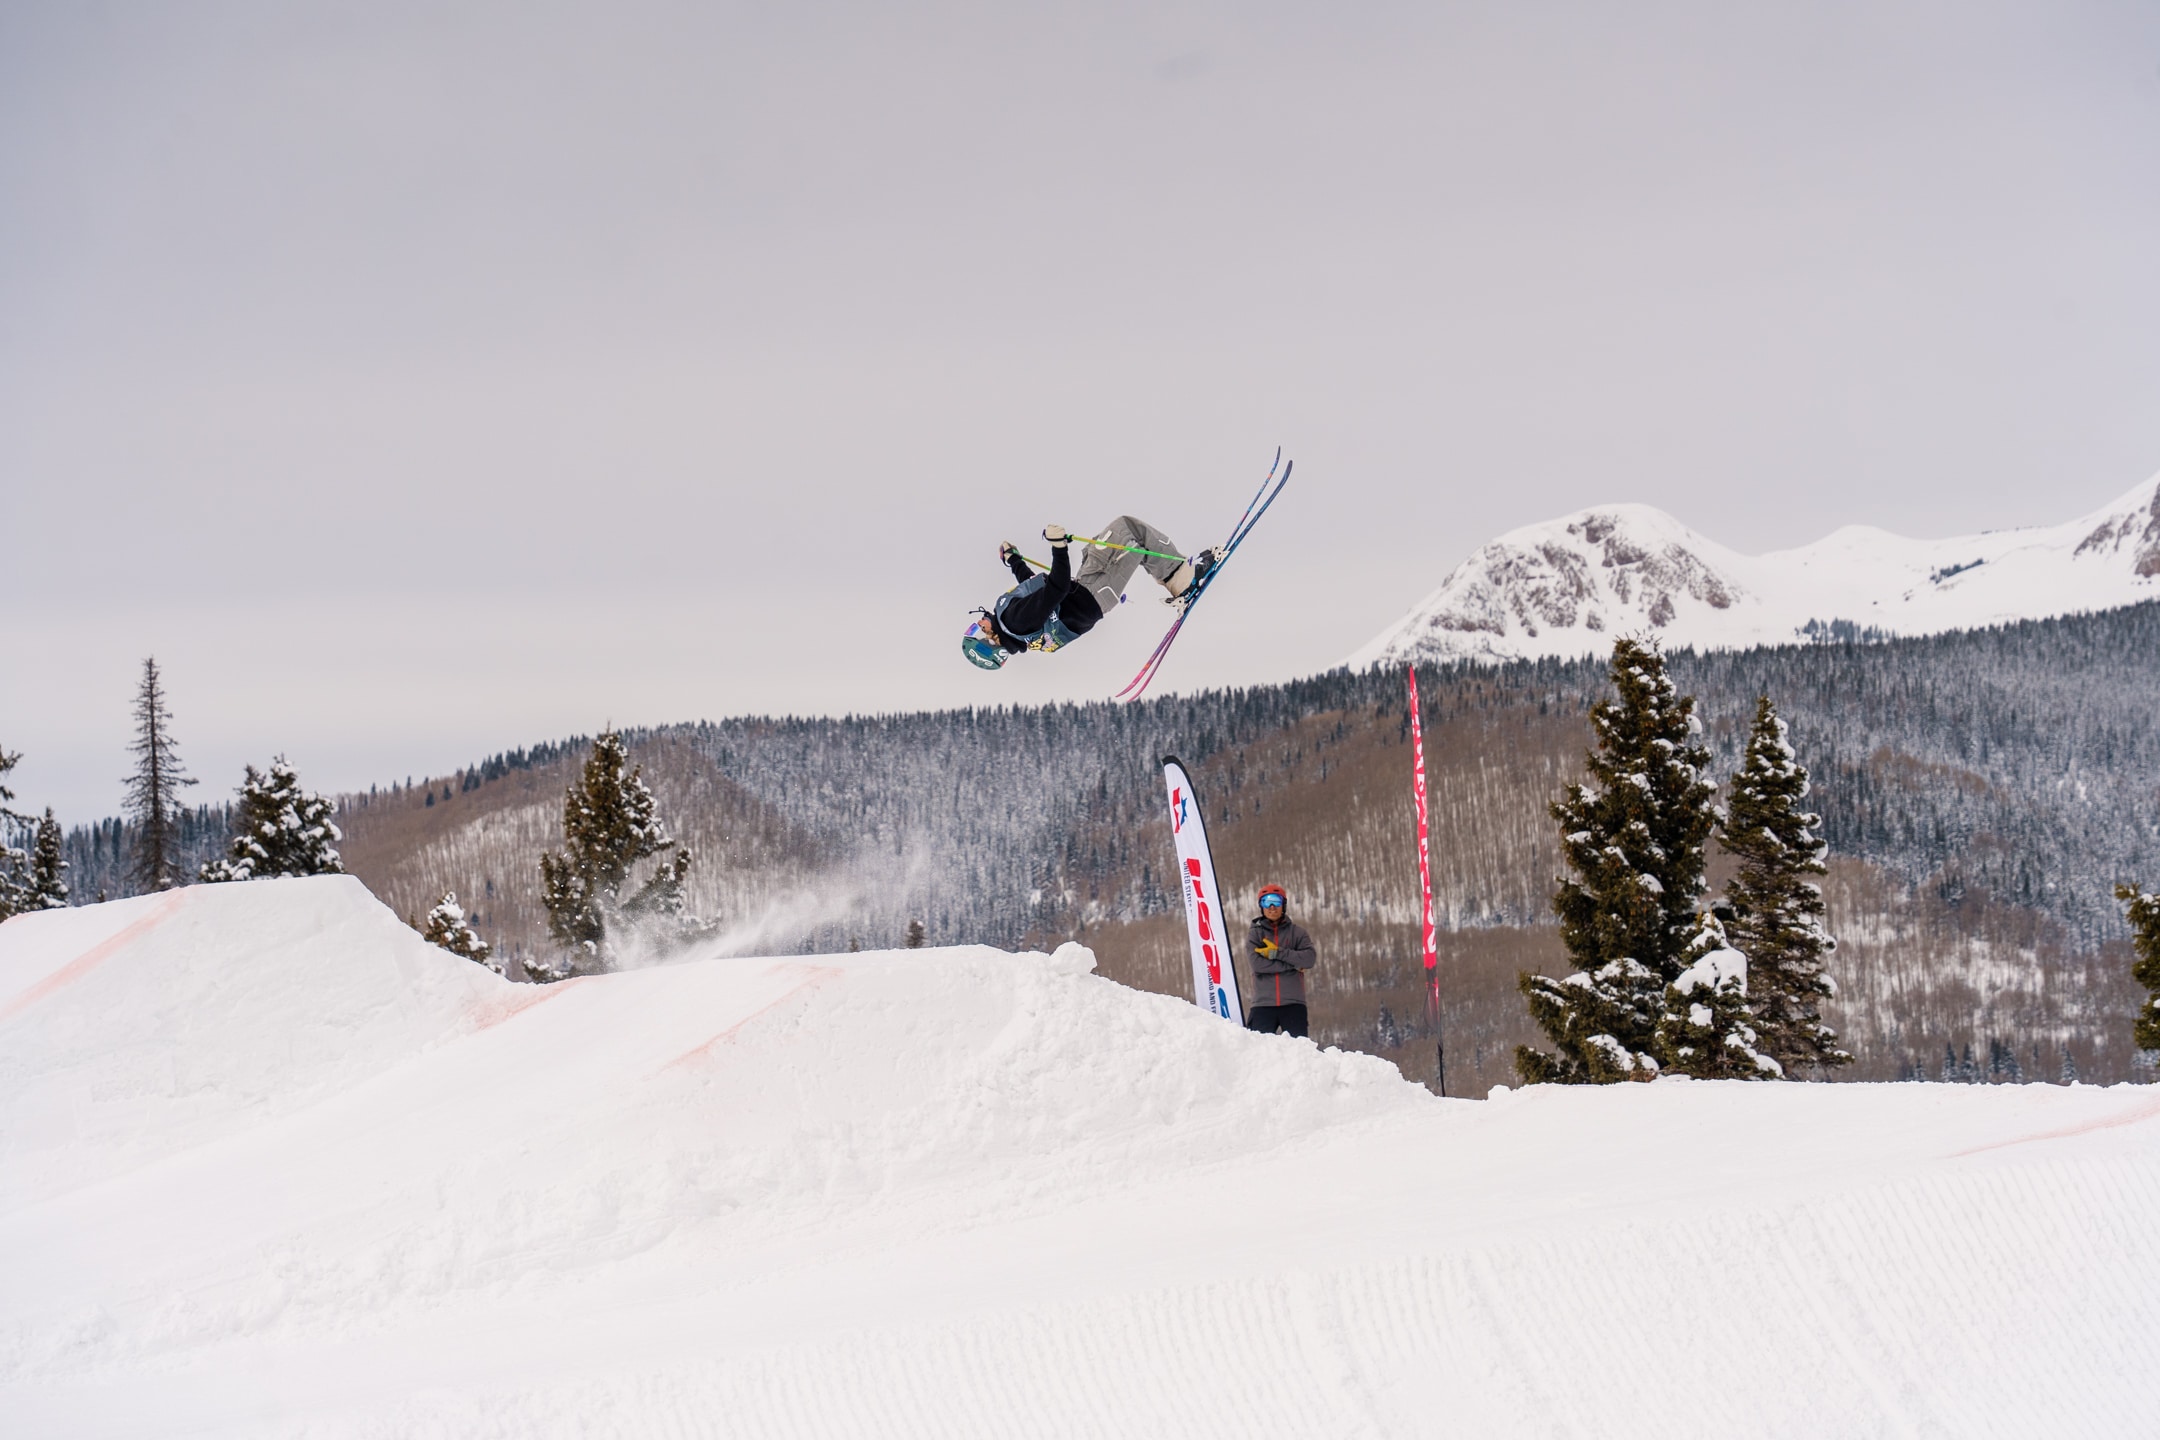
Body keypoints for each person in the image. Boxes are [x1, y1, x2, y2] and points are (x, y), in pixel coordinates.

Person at [961, 519, 1218, 670]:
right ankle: (1184, 584)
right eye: (978, 630)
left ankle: (1182, 578)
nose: (979, 622)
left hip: (1088, 588)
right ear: (992, 640)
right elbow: (1056, 588)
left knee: (1120, 532)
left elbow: (1032, 586)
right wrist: (1059, 547)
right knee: (1132, 541)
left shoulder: (1014, 622)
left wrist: (1013, 559)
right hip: (1094, 593)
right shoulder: (1015, 621)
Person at [1244, 884, 1316, 1037]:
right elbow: (1257, 965)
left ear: (1283, 905)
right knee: (1258, 1053)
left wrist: (1277, 953)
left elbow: (1309, 959)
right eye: (1266, 902)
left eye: (1276, 902)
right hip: (1263, 1004)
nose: (1271, 907)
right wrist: (1293, 964)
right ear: (1261, 906)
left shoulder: (1298, 933)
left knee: (1299, 1053)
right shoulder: (1255, 935)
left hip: (1293, 1004)